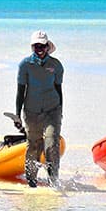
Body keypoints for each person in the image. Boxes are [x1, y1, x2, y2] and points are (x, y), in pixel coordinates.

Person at [13, 31, 64, 188]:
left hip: (52, 110)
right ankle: (32, 183)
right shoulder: (25, 65)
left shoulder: (56, 65)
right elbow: (21, 91)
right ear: (32, 47)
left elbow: (59, 89)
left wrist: (60, 112)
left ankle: (53, 182)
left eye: (42, 46)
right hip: (31, 111)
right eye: (36, 46)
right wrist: (17, 115)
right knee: (34, 145)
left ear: (48, 46)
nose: (39, 49)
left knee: (51, 143)